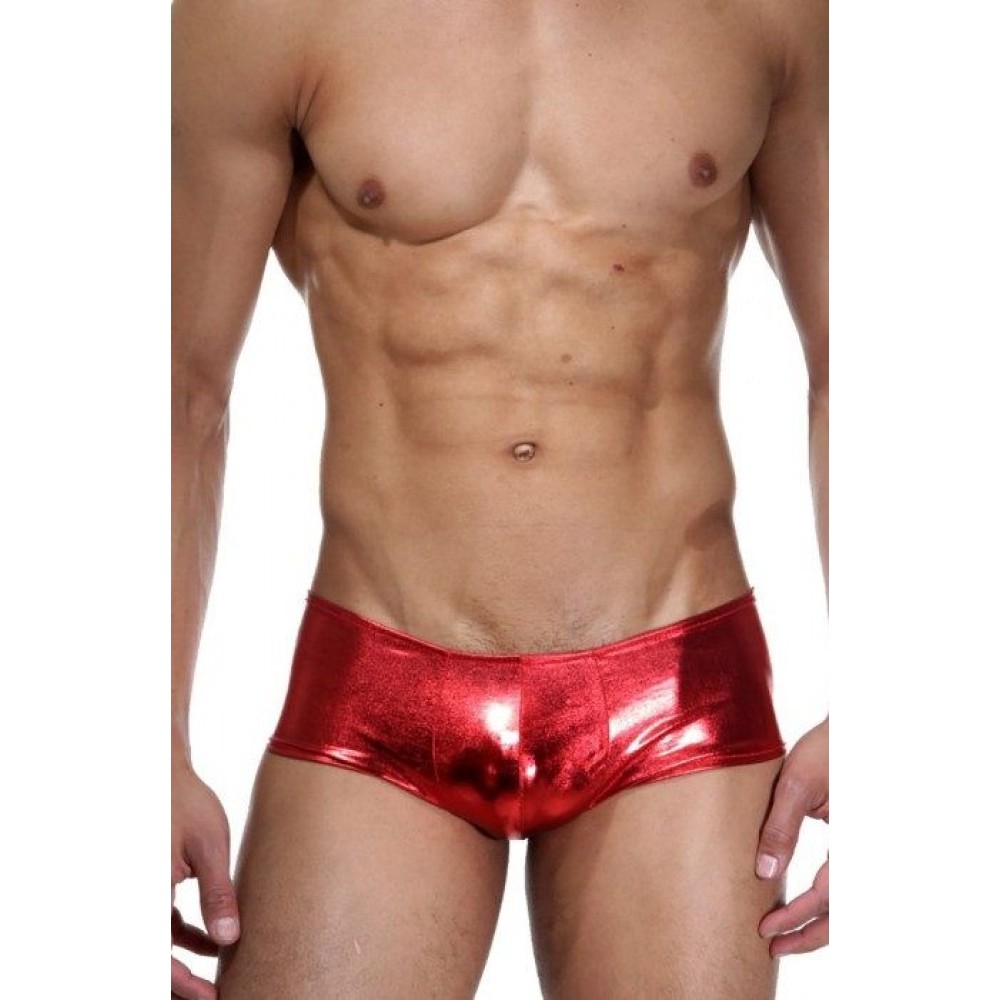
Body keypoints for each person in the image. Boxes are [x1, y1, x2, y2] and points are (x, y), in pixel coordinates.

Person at [171, 0, 828, 996]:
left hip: (676, 685)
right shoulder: (260, 14)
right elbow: (181, 390)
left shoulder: (770, 12)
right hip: (379, 680)